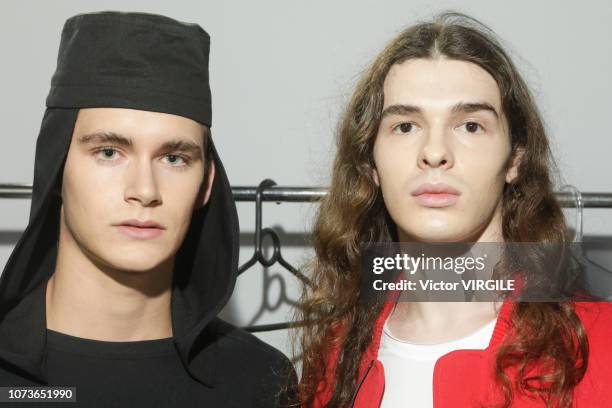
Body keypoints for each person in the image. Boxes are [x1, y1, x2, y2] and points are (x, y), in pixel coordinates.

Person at [296, 12, 612, 407]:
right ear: (371, 165)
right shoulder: (333, 357)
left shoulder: (600, 349)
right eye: (406, 126)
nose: (434, 152)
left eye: (470, 126)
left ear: (515, 158)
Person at [0, 11, 295, 407]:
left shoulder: (258, 383)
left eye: (174, 158)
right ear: (55, 169)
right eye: (108, 152)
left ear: (206, 183)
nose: (145, 190)